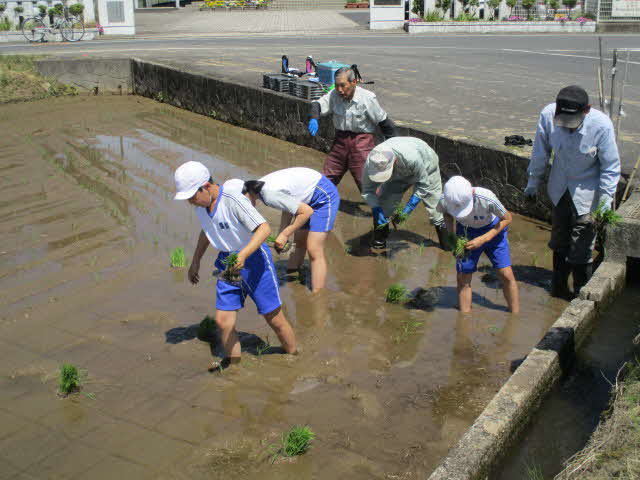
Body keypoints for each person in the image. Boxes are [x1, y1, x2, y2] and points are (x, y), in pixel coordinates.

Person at [173, 161, 297, 369]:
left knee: (274, 318)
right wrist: (195, 261)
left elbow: (264, 229)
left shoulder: (232, 200)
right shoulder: (202, 207)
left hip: (255, 259)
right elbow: (207, 232)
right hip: (227, 262)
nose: (191, 202)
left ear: (205, 186)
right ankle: (233, 366)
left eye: (192, 196)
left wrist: (243, 255)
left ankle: (294, 356)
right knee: (223, 321)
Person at [525, 85, 620, 298]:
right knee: (559, 240)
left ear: (586, 110)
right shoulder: (548, 115)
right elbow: (540, 152)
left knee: (582, 246)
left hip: (588, 193)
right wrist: (533, 182)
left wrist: (604, 206)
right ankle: (558, 288)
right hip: (559, 189)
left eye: (573, 123)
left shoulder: (601, 126)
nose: (567, 128)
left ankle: (579, 293)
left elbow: (610, 168)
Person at [238, 167, 341, 293]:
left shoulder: (267, 194)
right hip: (306, 198)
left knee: (314, 248)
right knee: (300, 242)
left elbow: (306, 212)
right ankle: (292, 272)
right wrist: (282, 233)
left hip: (323, 195)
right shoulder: (256, 187)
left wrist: (286, 233)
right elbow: (289, 207)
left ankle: (317, 295)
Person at [437, 176, 520, 314]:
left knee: (506, 274)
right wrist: (452, 237)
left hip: (494, 231)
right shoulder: (445, 200)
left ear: (472, 194)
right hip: (466, 232)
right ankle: (464, 320)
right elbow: (447, 215)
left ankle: (515, 316)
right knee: (463, 276)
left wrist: (484, 238)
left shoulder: (486, 197)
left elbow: (507, 218)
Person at [307, 66, 396, 192]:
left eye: (343, 85)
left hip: (361, 144)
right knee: (327, 179)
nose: (339, 90)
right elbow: (317, 104)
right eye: (337, 85)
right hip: (340, 142)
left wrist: (393, 148)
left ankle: (380, 208)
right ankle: (317, 205)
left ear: (353, 82)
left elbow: (385, 123)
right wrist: (314, 118)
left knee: (367, 182)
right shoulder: (334, 95)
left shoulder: (367, 98)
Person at [361, 136, 449, 249]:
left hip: (426, 164)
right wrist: (376, 208)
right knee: (385, 204)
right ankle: (379, 241)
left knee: (435, 205)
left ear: (395, 161)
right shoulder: (372, 162)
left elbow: (424, 184)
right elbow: (367, 191)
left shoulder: (412, 158)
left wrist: (409, 208)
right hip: (398, 173)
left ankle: (447, 245)